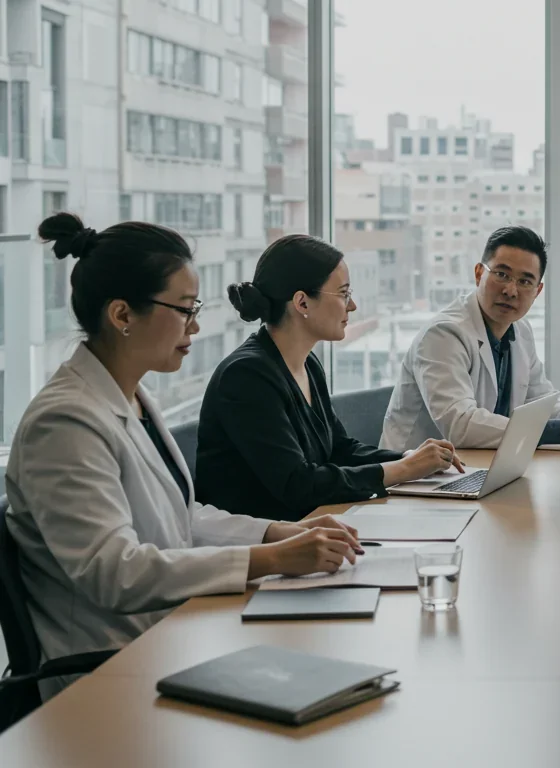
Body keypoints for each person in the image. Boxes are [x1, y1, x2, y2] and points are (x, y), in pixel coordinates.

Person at [5, 214, 363, 696]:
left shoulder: (131, 399)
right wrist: (268, 557)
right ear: (122, 315)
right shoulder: (64, 422)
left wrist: (282, 532)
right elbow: (116, 572)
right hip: (109, 674)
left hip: (170, 638)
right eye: (183, 309)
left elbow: (181, 519)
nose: (195, 326)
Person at [197, 235, 461, 521]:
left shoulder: (307, 362)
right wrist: (403, 470)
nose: (353, 306)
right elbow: (298, 485)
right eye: (344, 294)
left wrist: (409, 458)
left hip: (311, 528)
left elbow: (339, 449)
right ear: (302, 303)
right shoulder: (246, 376)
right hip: (265, 547)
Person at [381, 225, 560, 451]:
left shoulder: (520, 330)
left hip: (480, 466)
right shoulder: (443, 334)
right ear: (478, 273)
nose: (511, 291)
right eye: (502, 275)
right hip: (416, 479)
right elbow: (460, 424)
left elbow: (540, 397)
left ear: (537, 291)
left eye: (525, 281)